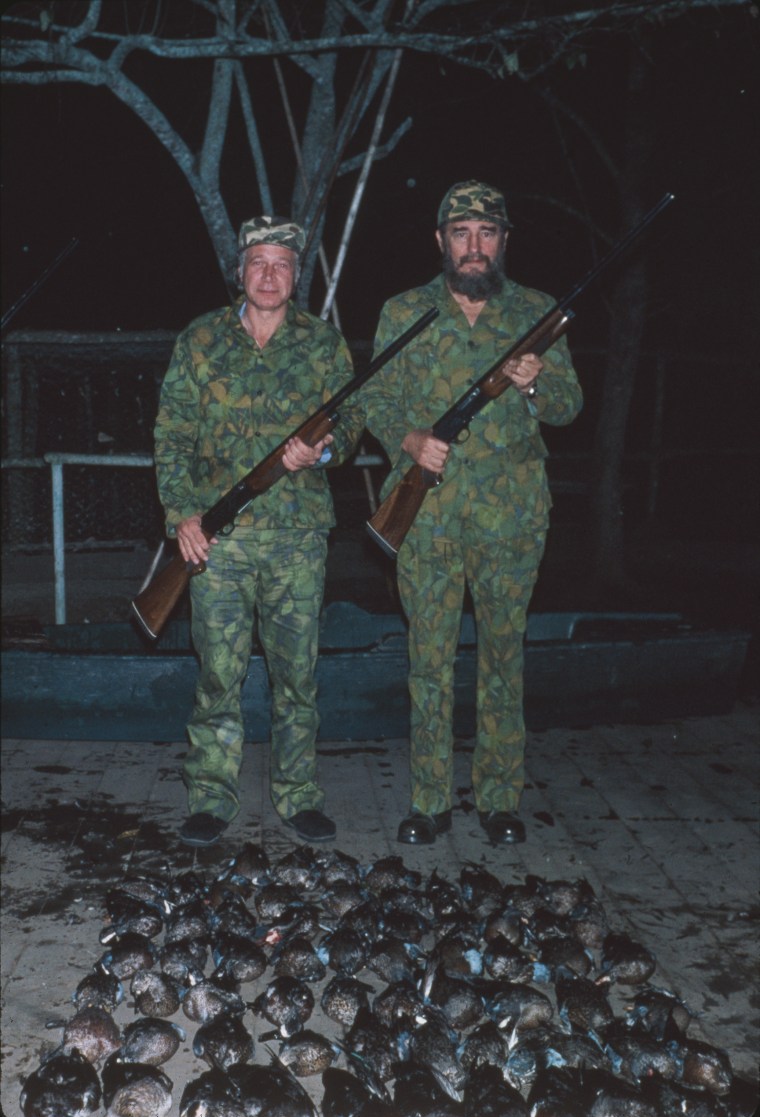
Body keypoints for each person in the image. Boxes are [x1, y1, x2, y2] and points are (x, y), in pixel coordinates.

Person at [362, 180, 583, 846]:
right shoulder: (404, 312)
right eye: (461, 233)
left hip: (511, 519)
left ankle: (499, 802)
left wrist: (536, 381)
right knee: (428, 659)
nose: (474, 246)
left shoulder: (540, 312)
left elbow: (569, 405)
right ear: (441, 242)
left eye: (487, 233)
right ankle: (429, 802)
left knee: (502, 656)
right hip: (425, 517)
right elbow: (372, 401)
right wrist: (411, 440)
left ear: (504, 241)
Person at [153, 216, 364, 847]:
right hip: (219, 539)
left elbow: (352, 422)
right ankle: (211, 798)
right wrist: (182, 515)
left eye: (281, 264)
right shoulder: (200, 340)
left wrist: (322, 452)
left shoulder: (324, 344)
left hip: (298, 536)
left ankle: (298, 796)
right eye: (258, 263)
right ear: (240, 272)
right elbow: (172, 435)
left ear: (297, 276)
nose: (269, 275)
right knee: (219, 673)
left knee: (296, 674)